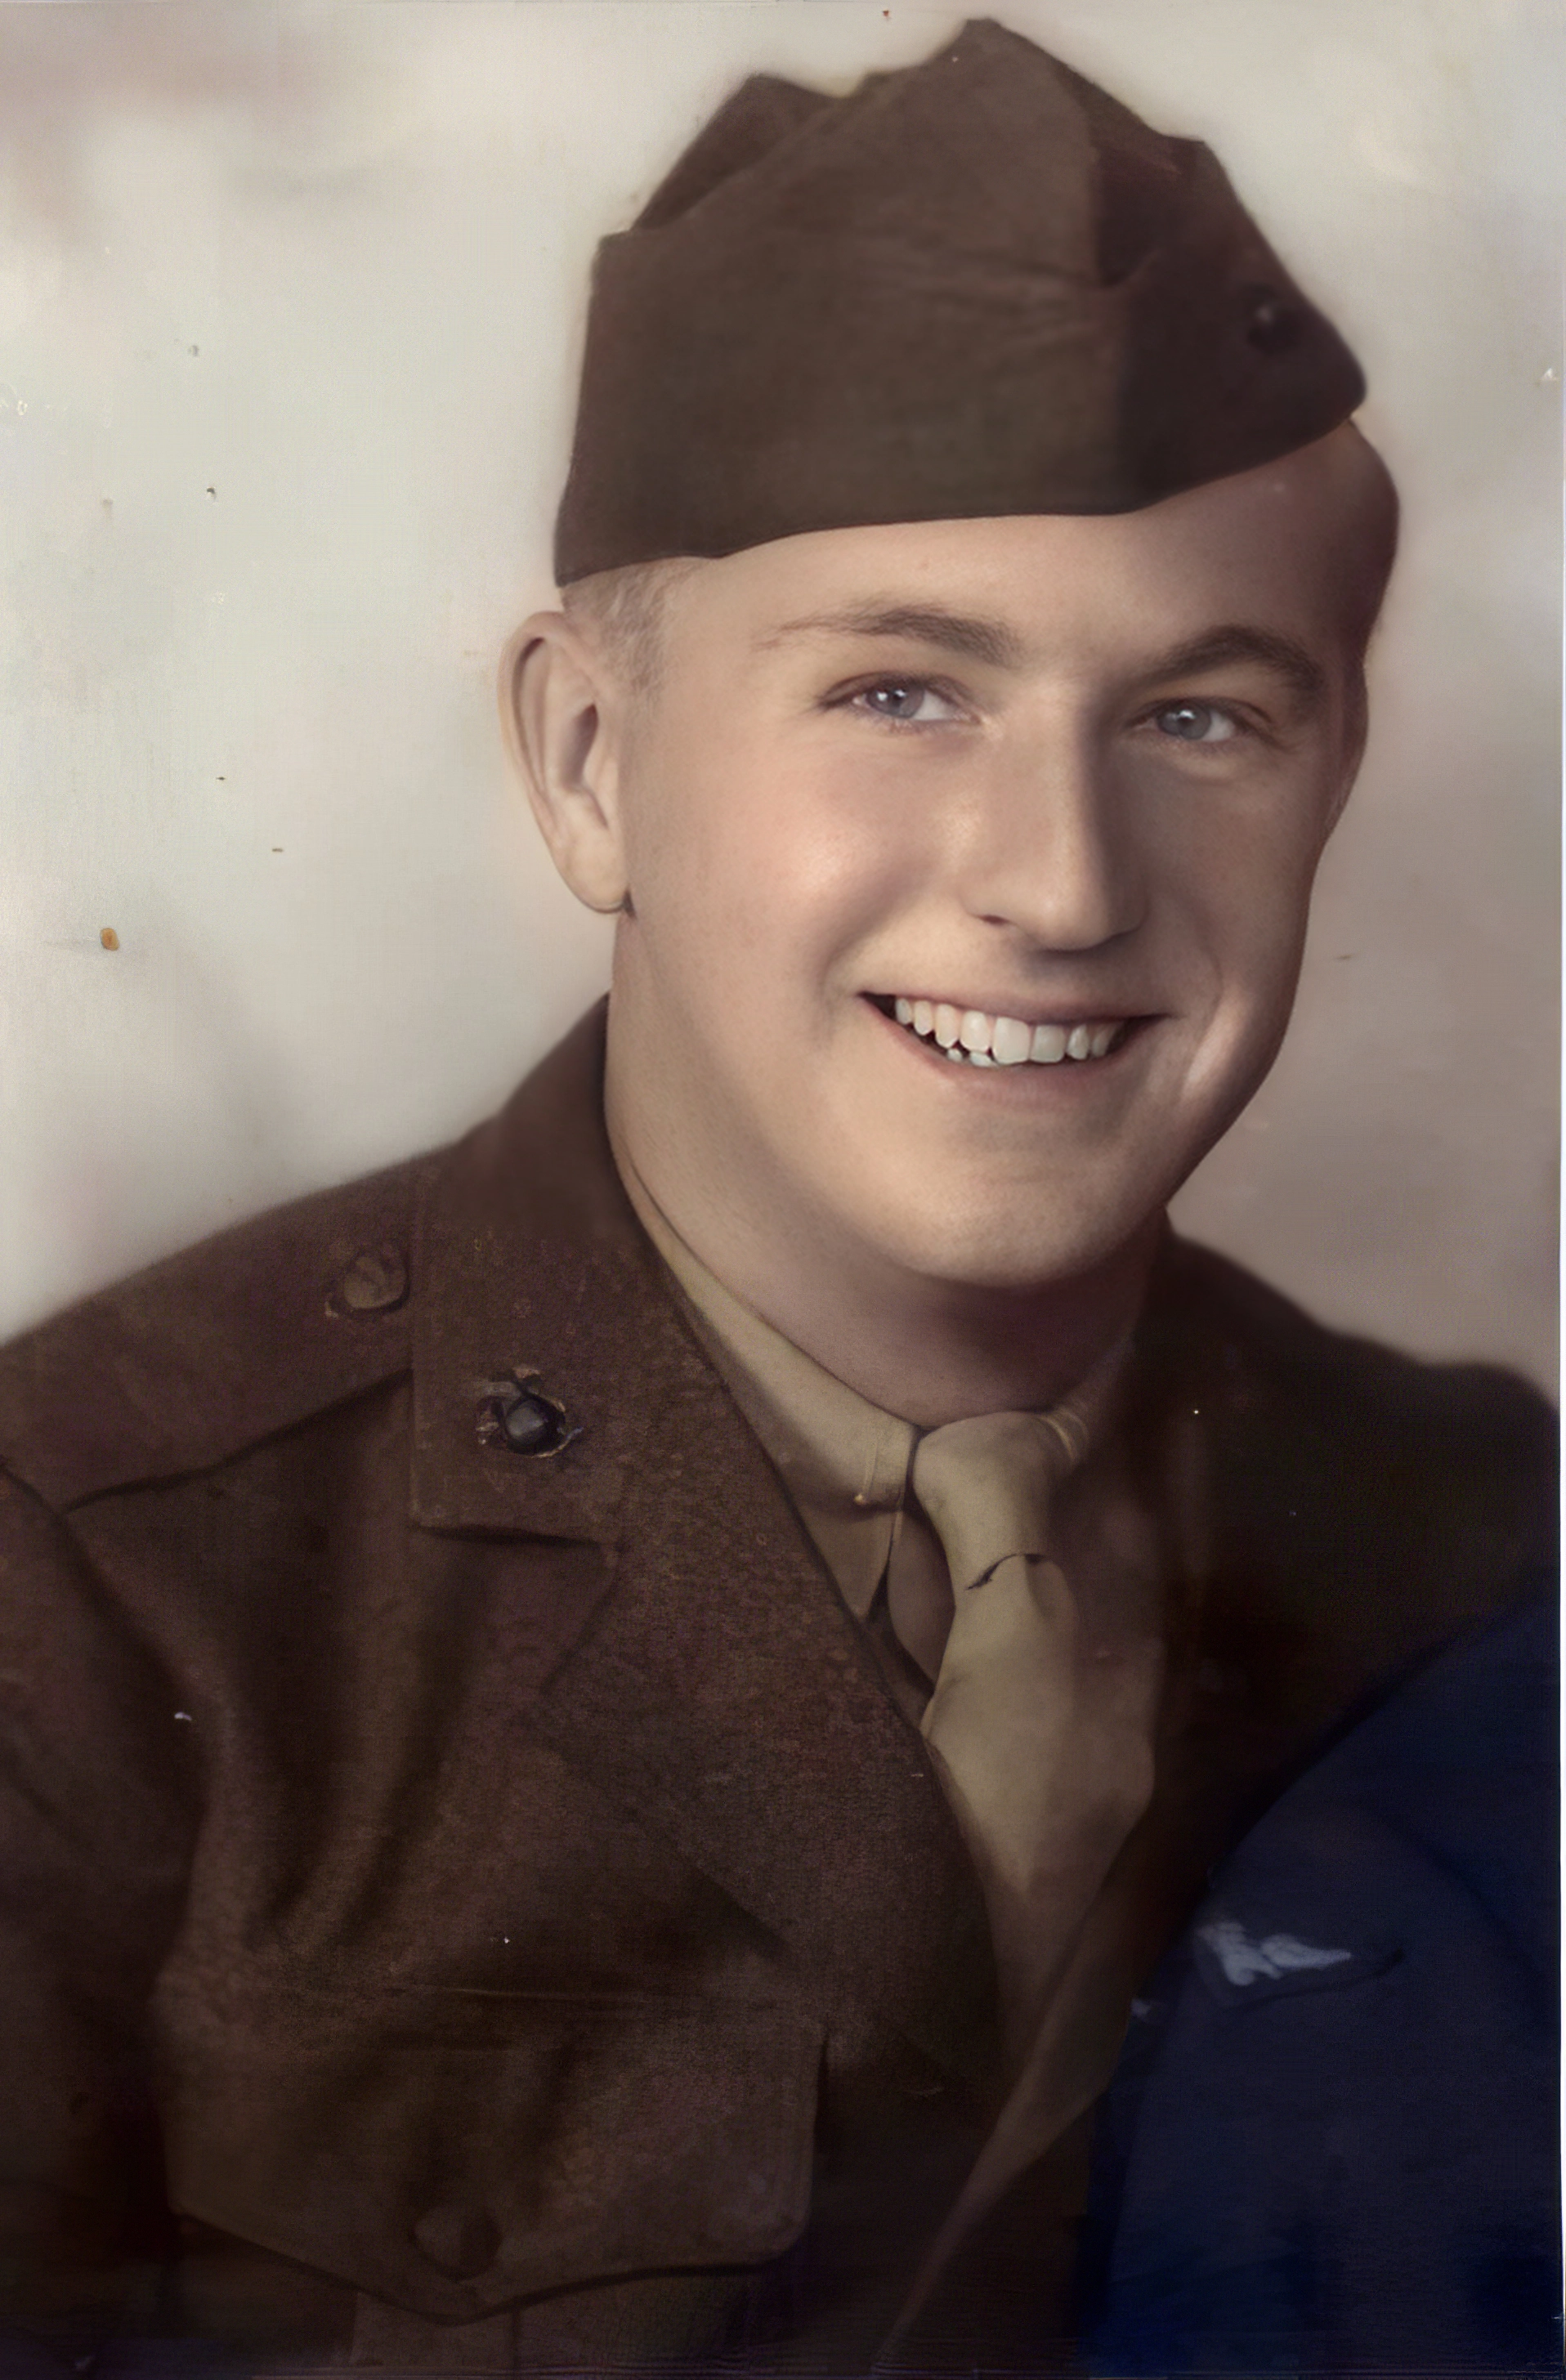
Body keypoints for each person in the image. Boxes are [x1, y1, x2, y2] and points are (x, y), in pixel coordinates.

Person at [0, 20, 1554, 2376]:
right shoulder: (99, 1584)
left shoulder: (1472, 1544)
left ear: (1332, 769)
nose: (1054, 884)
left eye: (1199, 718)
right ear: (590, 761)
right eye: (900, 695)